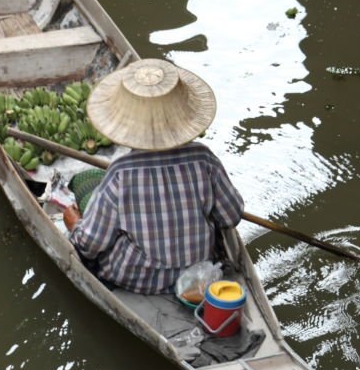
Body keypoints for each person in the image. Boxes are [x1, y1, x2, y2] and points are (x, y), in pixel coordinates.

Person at [63, 58, 244, 294]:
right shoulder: (204, 159)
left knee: (86, 181)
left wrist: (74, 225)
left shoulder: (120, 173)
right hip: (198, 273)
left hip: (139, 279)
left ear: (127, 124)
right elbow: (231, 216)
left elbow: (90, 245)